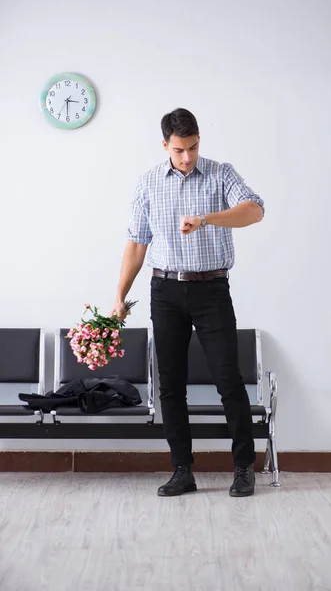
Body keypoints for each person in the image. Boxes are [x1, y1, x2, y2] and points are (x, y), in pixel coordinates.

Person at [111, 108, 264, 497]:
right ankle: (183, 470)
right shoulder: (147, 183)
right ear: (165, 145)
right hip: (164, 292)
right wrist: (119, 297)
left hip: (211, 290)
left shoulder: (221, 173)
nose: (187, 157)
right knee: (170, 385)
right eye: (179, 150)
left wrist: (206, 219)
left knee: (229, 379)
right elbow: (136, 244)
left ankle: (243, 468)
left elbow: (255, 210)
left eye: (193, 147)